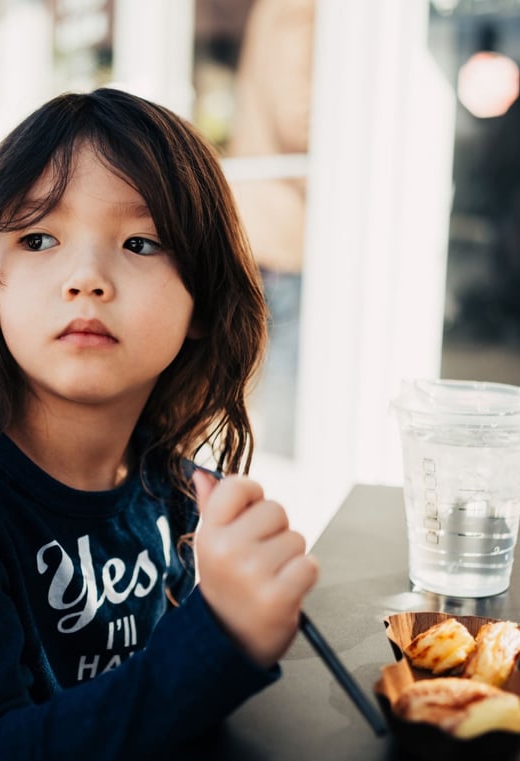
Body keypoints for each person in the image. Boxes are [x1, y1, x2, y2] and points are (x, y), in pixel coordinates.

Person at [0, 88, 319, 761]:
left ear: (203, 306)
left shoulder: (170, 485)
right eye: (38, 239)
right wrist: (218, 638)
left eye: (140, 243)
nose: (86, 278)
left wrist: (243, 603)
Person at [227, 0, 314, 457]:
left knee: (266, 368)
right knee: (284, 369)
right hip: (282, 223)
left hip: (269, 218)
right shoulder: (299, 10)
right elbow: (296, 118)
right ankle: (281, 477)